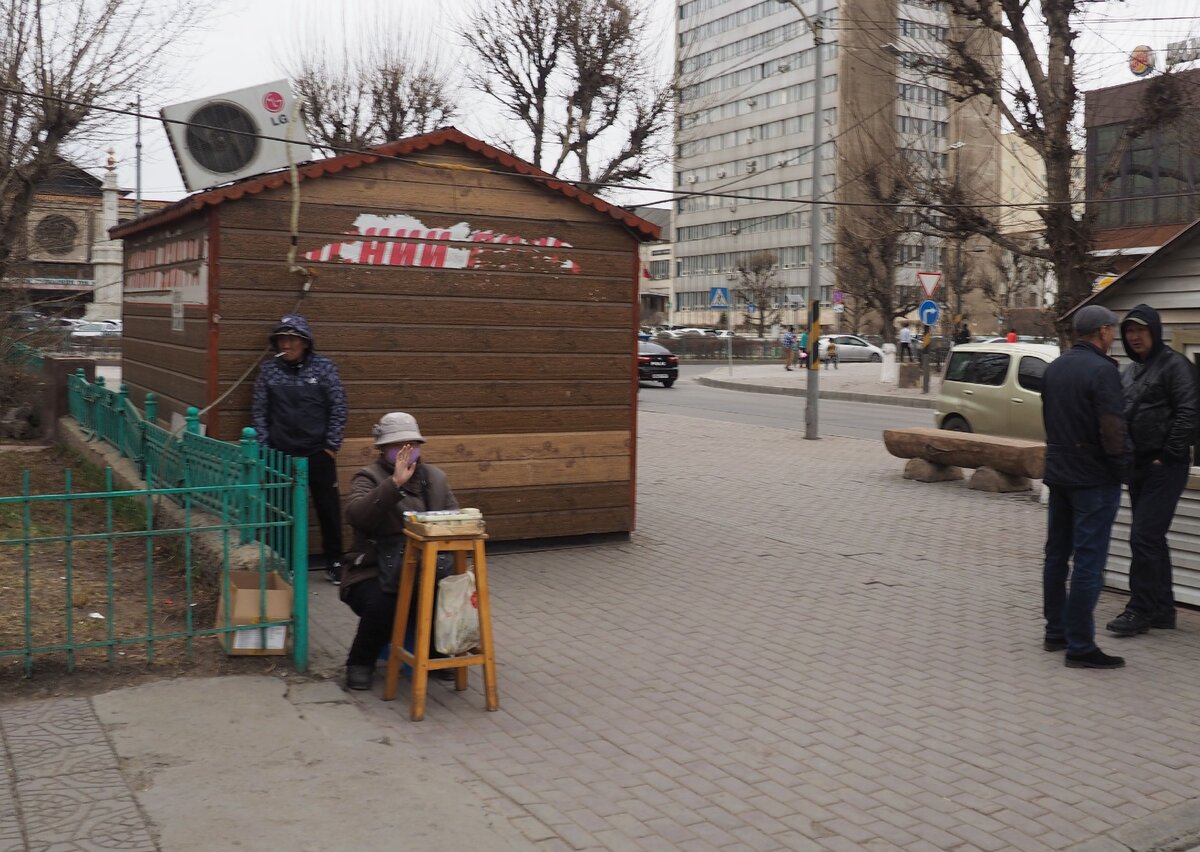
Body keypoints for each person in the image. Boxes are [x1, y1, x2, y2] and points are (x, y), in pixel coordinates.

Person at [341, 412, 460, 691]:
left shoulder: (436, 478)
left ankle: (439, 651)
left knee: (452, 592)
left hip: (425, 567)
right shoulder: (368, 477)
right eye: (398, 447)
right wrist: (393, 484)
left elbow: (454, 518)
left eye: (411, 445)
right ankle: (360, 662)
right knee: (383, 602)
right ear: (383, 449)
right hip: (374, 569)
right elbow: (357, 516)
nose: (406, 452)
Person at [1041, 305, 1130, 669]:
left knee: (1056, 555)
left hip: (1059, 472)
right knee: (1089, 562)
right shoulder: (1103, 371)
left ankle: (1055, 631)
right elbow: (1111, 429)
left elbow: (1049, 418)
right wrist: (1123, 468)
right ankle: (1080, 646)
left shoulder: (1056, 367)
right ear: (1104, 332)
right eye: (1113, 331)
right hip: (1093, 478)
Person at [1105, 305, 1198, 638]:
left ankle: (1139, 609)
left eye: (1141, 331)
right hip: (1138, 466)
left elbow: (1189, 413)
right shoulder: (1130, 372)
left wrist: (1166, 456)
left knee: (1143, 536)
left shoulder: (1176, 366)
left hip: (1165, 466)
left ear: (1155, 332)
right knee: (1152, 538)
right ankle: (1163, 609)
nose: (1134, 336)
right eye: (1129, 331)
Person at [251, 314, 347, 585]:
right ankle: (287, 563)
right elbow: (259, 411)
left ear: (305, 342)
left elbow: (338, 406)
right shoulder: (269, 371)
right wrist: (264, 447)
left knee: (328, 508)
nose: (286, 344)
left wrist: (331, 446)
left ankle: (336, 562)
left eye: (292, 339)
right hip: (280, 453)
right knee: (281, 510)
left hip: (318, 452)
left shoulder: (324, 368)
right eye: (282, 339)